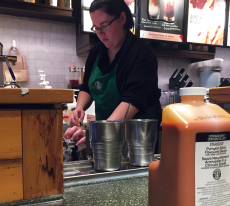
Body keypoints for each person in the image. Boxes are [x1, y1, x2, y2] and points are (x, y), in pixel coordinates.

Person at [64, 0, 161, 146]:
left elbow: (132, 101)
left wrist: (96, 133)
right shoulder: (96, 52)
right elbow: (87, 88)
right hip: (105, 137)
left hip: (137, 140)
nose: (100, 34)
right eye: (96, 28)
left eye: (104, 26)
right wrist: (79, 107)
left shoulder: (142, 53)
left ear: (122, 19)